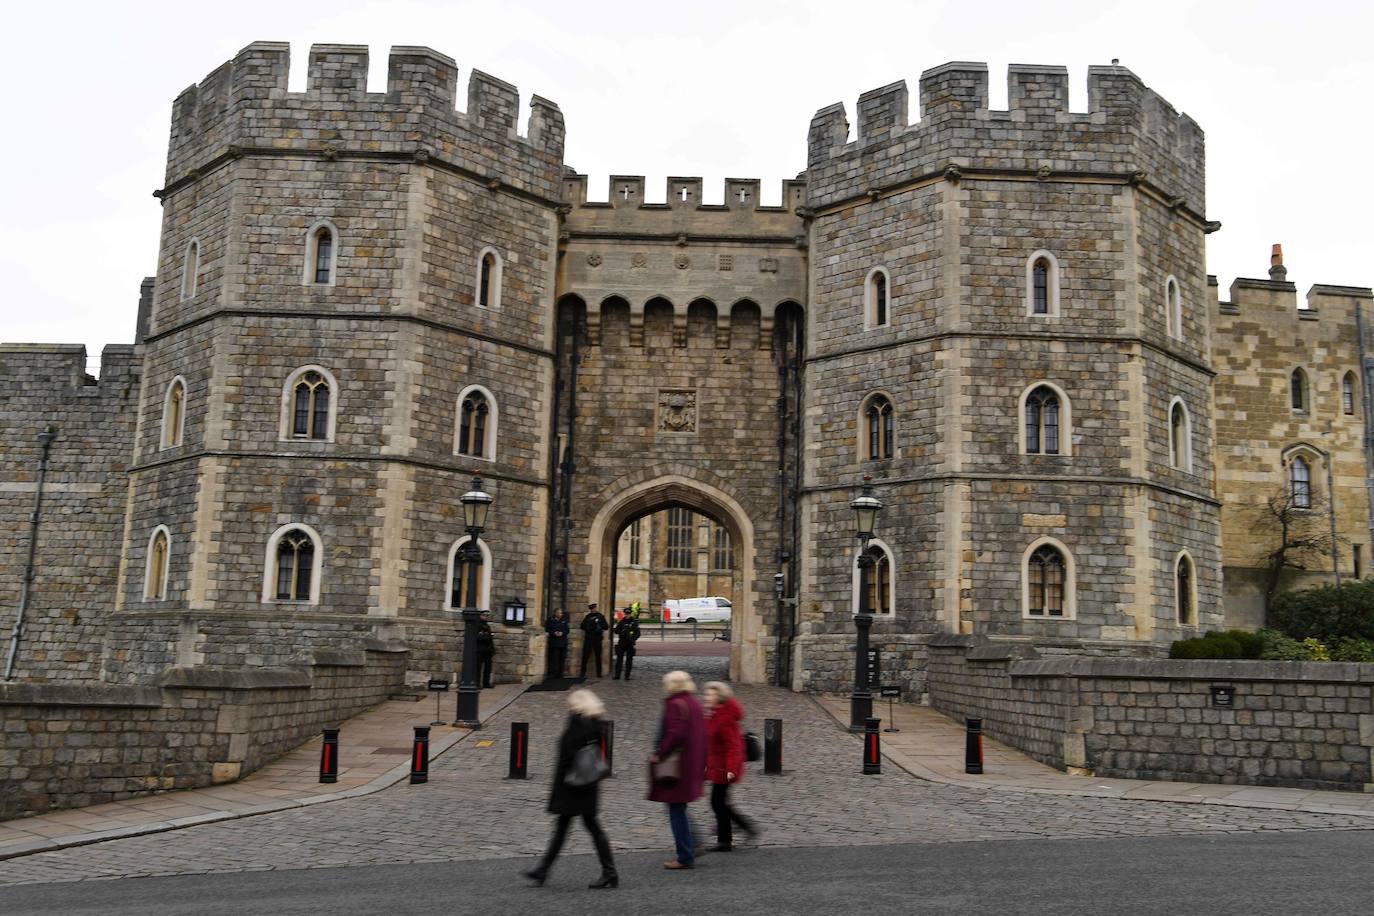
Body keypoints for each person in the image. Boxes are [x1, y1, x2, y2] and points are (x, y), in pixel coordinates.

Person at [522, 689, 618, 889]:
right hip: (588, 784)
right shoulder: (597, 723)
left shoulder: (577, 723)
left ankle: (609, 872)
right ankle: (544, 870)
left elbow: (566, 755)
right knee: (575, 828)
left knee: (575, 829)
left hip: (573, 785)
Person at [648, 669, 707, 870]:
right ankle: (693, 845)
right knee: (678, 807)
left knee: (676, 809)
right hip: (691, 763)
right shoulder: (694, 703)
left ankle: (685, 855)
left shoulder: (675, 704)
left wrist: (660, 754)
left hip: (677, 765)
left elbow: (675, 734)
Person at [703, 681, 757, 851]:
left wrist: (731, 770)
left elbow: (733, 746)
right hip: (717, 765)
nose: (706, 697)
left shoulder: (725, 719)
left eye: (710, 694)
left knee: (718, 802)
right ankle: (735, 833)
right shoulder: (714, 714)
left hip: (724, 768)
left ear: (719, 697)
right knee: (720, 802)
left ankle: (726, 839)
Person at [579, 603, 609, 678]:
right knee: (585, 656)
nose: (593, 610)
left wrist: (599, 626)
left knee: (598, 656)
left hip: (597, 639)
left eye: (594, 608)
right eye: (592, 609)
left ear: (596, 608)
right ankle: (582, 673)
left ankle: (599, 673)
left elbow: (606, 627)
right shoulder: (588, 617)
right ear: (590, 609)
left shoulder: (600, 616)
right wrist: (588, 627)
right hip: (588, 638)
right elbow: (582, 626)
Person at [612, 608, 641, 680]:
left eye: (628, 614)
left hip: (630, 644)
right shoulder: (622, 622)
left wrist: (633, 638)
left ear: (630, 614)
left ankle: (627, 676)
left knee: (629, 660)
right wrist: (621, 632)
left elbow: (638, 633)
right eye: (626, 614)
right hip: (622, 643)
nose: (627, 615)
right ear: (625, 614)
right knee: (619, 660)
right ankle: (617, 675)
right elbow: (616, 630)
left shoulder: (634, 622)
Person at [546, 609, 569, 680]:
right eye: (559, 613)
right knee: (554, 659)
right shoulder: (550, 620)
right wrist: (554, 633)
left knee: (562, 658)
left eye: (561, 613)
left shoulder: (564, 621)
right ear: (555, 613)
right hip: (554, 642)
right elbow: (548, 629)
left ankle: (560, 673)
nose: (560, 614)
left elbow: (567, 630)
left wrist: (562, 633)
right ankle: (553, 673)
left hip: (563, 642)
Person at [475, 611, 496, 689]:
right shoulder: (477, 625)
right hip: (479, 649)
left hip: (487, 650)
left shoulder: (487, 626)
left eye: (487, 615)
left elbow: (490, 638)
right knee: (478, 667)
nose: (486, 617)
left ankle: (486, 683)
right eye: (484, 615)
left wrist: (492, 649)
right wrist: (485, 635)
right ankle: (477, 683)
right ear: (480, 616)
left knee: (488, 667)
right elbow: (479, 637)